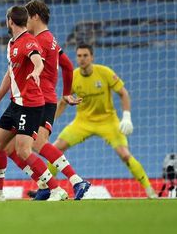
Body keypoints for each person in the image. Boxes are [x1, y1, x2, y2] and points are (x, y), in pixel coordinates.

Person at [4, 0, 90, 200]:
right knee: (10, 148)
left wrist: (64, 93)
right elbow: (68, 65)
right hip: (41, 98)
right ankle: (43, 184)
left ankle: (75, 180)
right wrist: (66, 93)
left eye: (27, 17)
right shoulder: (50, 39)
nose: (25, 22)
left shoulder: (38, 41)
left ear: (34, 17)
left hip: (39, 99)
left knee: (37, 144)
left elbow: (62, 66)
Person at [0, 5, 68, 201]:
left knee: (23, 149)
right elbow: (9, 75)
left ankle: (57, 190)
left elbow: (38, 62)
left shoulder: (29, 42)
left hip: (30, 105)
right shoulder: (11, 44)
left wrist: (36, 72)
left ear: (10, 21)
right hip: (15, 103)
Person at [53, 44, 157, 198]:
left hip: (108, 121)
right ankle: (47, 188)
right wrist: (50, 120)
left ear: (92, 57)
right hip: (83, 121)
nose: (82, 59)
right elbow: (63, 101)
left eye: (85, 55)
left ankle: (150, 191)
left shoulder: (105, 72)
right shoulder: (73, 76)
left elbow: (123, 94)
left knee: (125, 155)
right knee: (55, 149)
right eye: (79, 56)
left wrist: (126, 117)